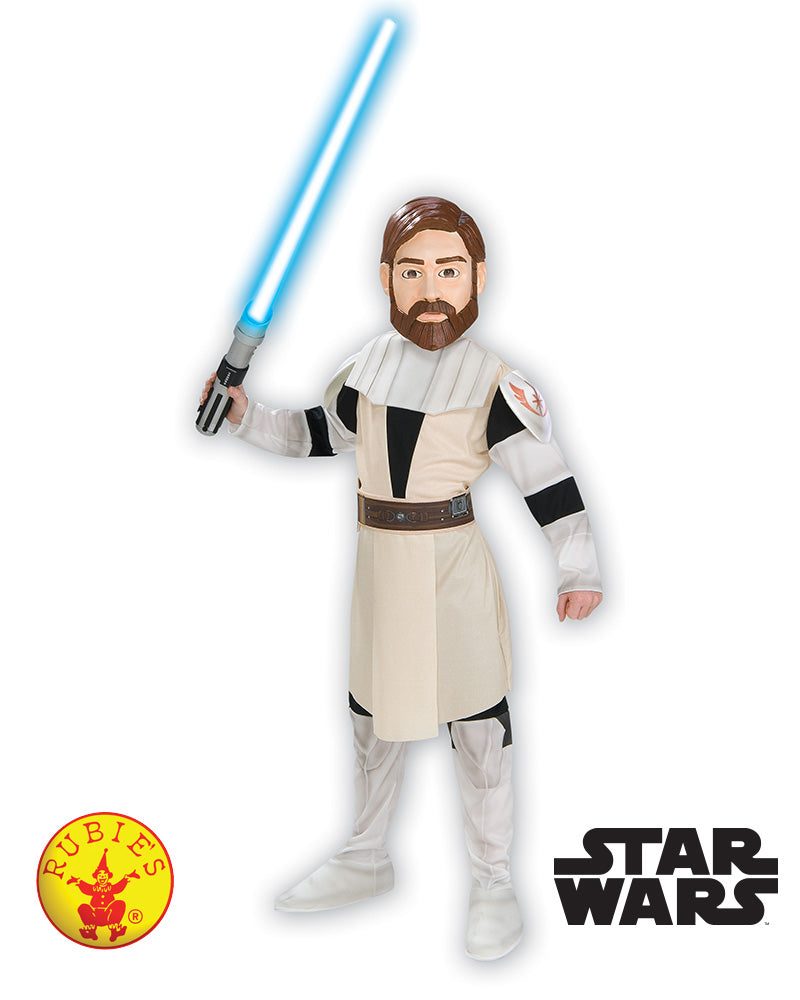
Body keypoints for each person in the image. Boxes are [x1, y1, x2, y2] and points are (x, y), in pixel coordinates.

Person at [200, 196, 602, 960]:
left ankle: (492, 882)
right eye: (413, 271)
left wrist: (576, 567)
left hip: (452, 569)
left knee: (478, 725)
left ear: (477, 276)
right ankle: (366, 856)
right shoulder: (368, 367)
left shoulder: (493, 382)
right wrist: (245, 415)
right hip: (380, 567)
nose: (431, 288)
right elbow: (315, 436)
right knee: (371, 715)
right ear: (386, 277)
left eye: (448, 270)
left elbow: (548, 483)